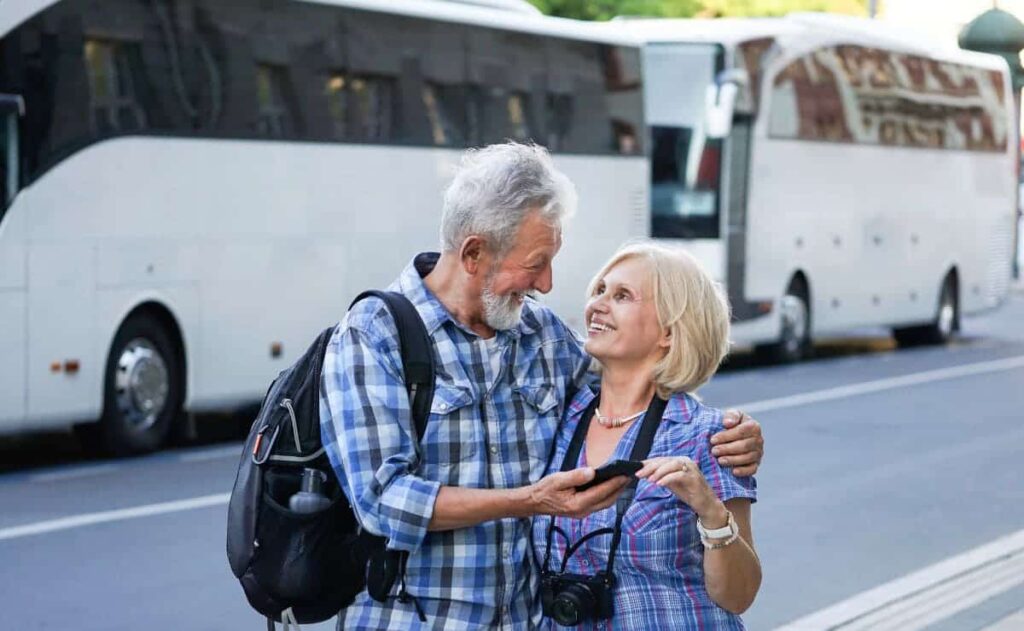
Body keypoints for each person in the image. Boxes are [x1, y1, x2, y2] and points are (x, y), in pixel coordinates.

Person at [319, 142, 765, 630]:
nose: (548, 284)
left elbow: (642, 385)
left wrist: (732, 432)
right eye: (536, 263)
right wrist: (530, 499)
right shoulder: (374, 335)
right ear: (474, 253)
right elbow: (383, 503)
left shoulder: (540, 334)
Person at [532, 242, 760, 630]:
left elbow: (738, 596)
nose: (598, 304)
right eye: (600, 290)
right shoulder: (558, 419)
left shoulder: (707, 435)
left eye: (622, 295)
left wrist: (710, 510)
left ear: (668, 332)